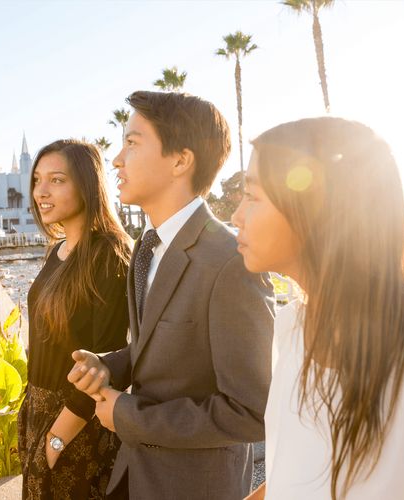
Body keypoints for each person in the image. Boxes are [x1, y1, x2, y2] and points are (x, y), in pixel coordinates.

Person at [67, 91, 275, 500]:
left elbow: (252, 412)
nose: (117, 160)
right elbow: (158, 346)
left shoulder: (229, 262)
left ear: (181, 160)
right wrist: (109, 366)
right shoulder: (146, 247)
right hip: (133, 474)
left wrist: (128, 415)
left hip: (192, 486)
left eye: (132, 142)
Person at [232, 117, 404, 500]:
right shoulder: (292, 324)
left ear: (317, 210)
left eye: (253, 197)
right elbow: (294, 468)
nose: (236, 217)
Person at [17, 139, 131, 499]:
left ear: (87, 184)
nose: (41, 191)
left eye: (56, 180)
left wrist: (55, 442)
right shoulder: (59, 251)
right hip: (38, 409)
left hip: (77, 424)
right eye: (37, 180)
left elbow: (106, 362)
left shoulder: (108, 254)